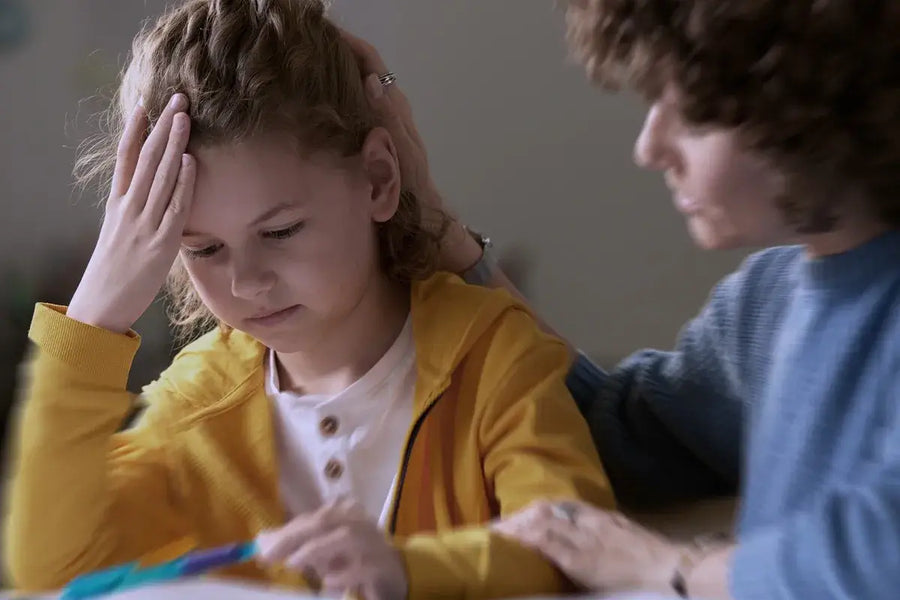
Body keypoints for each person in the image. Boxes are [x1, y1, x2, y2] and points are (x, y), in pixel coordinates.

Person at [1, 1, 615, 598]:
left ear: (378, 180)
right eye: (205, 249)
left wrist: (406, 571)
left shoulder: (492, 353)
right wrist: (93, 319)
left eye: (280, 232)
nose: (247, 282)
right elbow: (52, 570)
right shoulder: (197, 405)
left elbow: (576, 546)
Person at [342, 0, 900, 598]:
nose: (649, 146)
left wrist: (672, 569)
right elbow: (608, 424)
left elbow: (876, 554)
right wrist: (437, 224)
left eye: (691, 112)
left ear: (807, 102)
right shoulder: (765, 304)